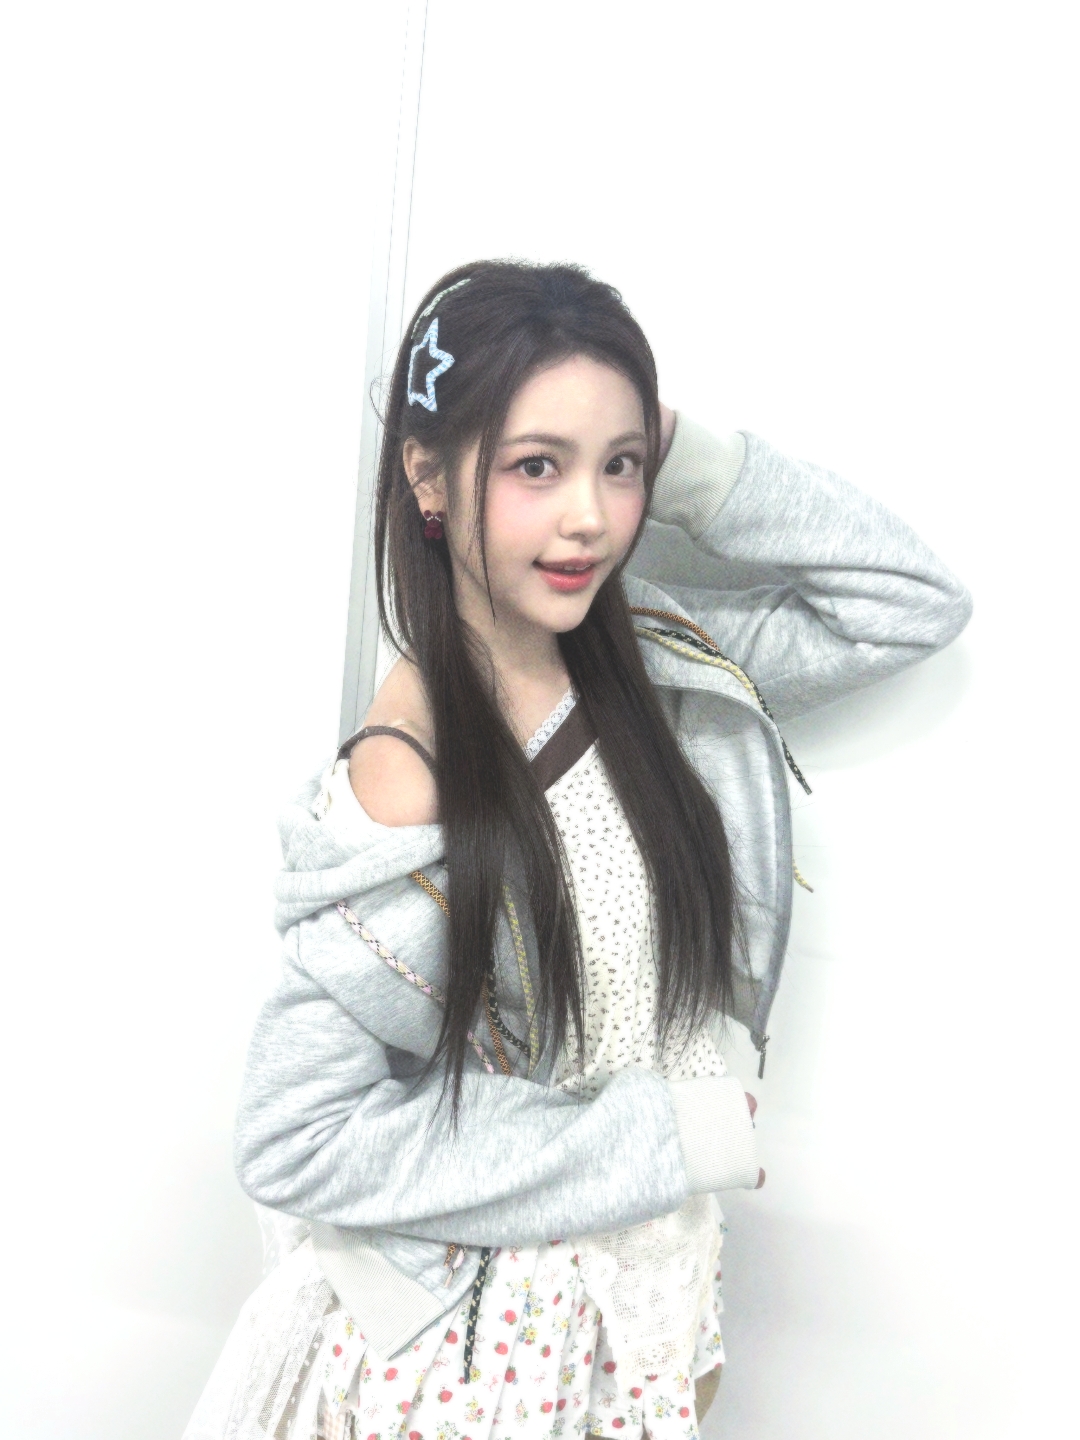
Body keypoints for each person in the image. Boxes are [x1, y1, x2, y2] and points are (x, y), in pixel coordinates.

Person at [183, 261, 971, 1440]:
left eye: (619, 467)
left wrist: (667, 441)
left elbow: (907, 602)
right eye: (536, 466)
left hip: (643, 1313)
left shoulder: (659, 665)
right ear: (427, 474)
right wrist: (663, 1137)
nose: (592, 518)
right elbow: (300, 1137)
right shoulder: (412, 774)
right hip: (478, 1366)